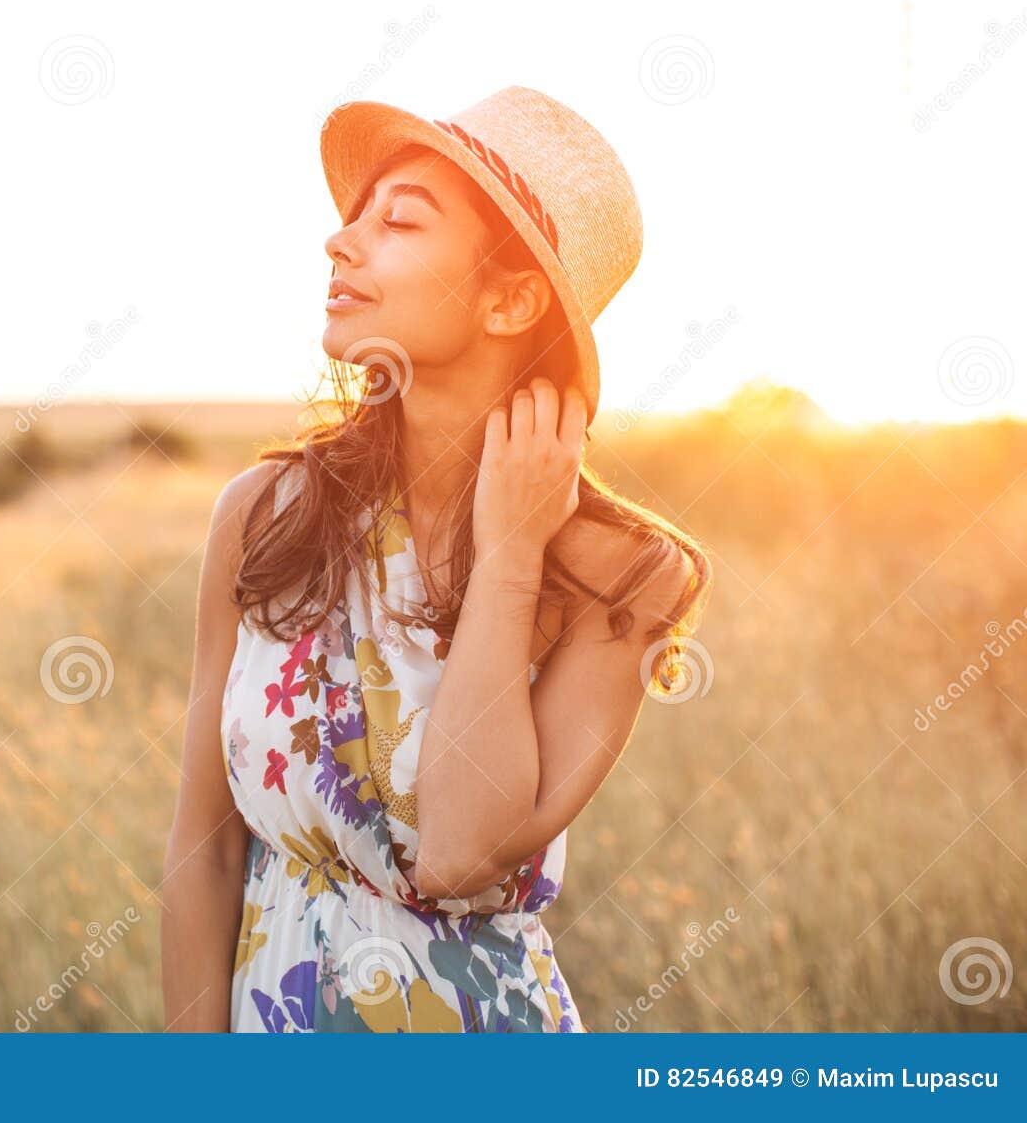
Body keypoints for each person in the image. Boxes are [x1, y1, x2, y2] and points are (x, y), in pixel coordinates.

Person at [162, 85, 712, 1032]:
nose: (341, 243)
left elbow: (458, 851)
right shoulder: (266, 518)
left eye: (401, 221)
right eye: (353, 219)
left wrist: (509, 555)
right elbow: (204, 851)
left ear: (509, 298)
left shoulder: (622, 576)